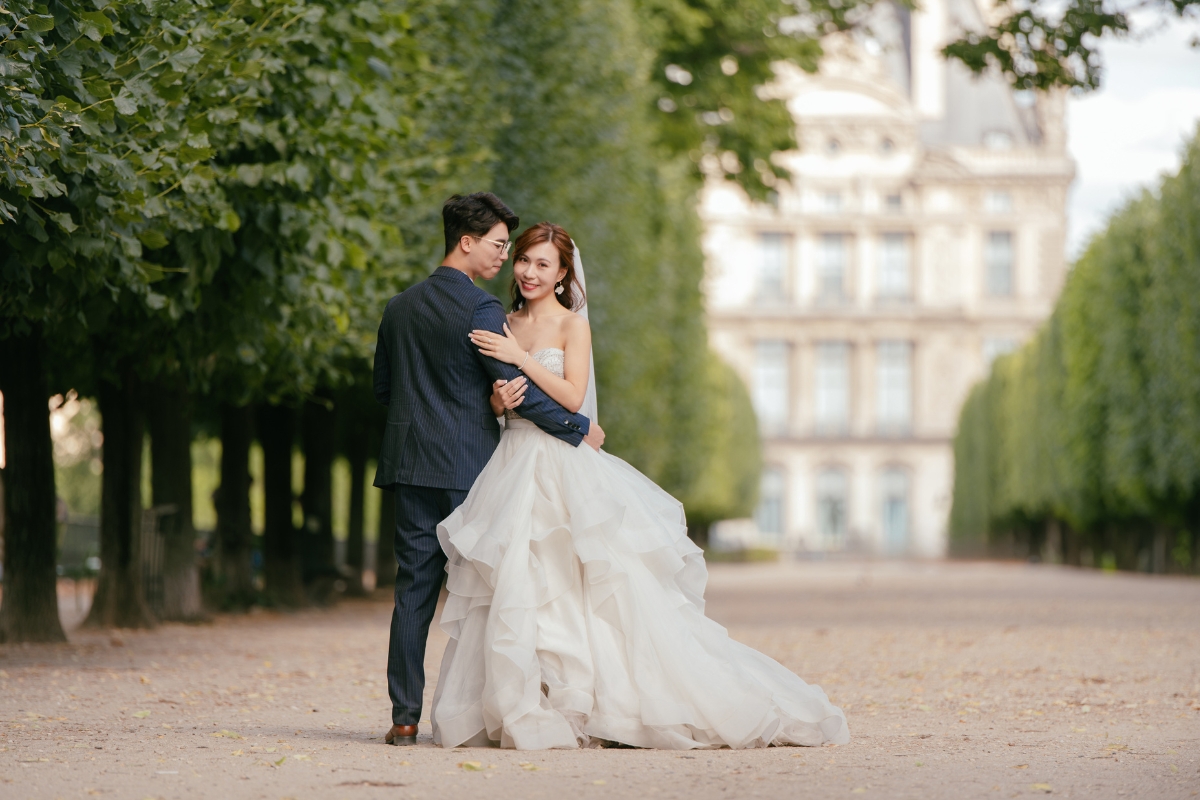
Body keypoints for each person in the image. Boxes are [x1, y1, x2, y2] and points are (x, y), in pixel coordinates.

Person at [430, 221, 850, 750]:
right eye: (523, 260)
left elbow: (572, 395)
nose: (529, 272)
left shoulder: (570, 327)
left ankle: (589, 701)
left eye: (543, 264)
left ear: (562, 275)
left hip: (559, 463)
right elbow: (495, 399)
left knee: (572, 581)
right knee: (517, 584)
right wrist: (498, 400)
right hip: (511, 458)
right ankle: (526, 701)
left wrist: (520, 359)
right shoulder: (502, 320)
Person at [373, 195, 604, 747]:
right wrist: (579, 430)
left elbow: (384, 391)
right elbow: (516, 394)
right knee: (500, 591)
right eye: (501, 245)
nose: (508, 257)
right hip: (468, 468)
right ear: (467, 241)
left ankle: (404, 717)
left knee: (413, 594)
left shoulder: (399, 307)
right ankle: (501, 706)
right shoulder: (480, 311)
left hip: (409, 467)